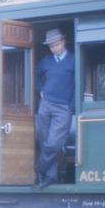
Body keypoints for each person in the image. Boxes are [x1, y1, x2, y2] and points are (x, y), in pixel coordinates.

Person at [35, 29, 74, 188]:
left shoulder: (73, 60)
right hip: (45, 105)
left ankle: (38, 168)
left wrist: (71, 106)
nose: (54, 48)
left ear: (63, 42)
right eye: (51, 46)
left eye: (57, 45)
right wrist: (40, 90)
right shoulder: (46, 61)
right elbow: (35, 74)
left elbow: (79, 82)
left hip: (63, 108)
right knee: (45, 142)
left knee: (53, 144)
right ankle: (50, 176)